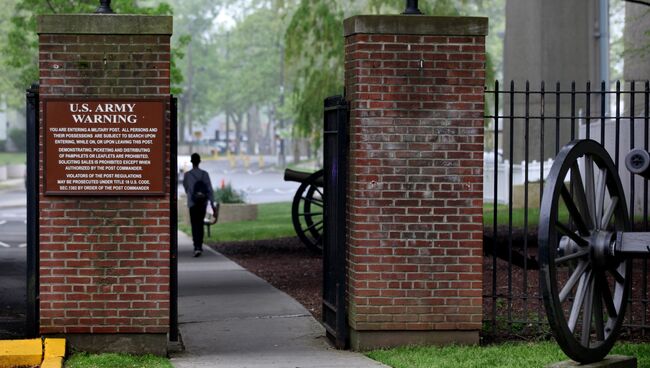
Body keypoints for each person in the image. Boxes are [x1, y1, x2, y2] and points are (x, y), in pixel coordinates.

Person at [183, 153, 216, 257]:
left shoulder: (187, 175)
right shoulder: (205, 174)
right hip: (202, 203)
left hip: (192, 203)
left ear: (191, 162)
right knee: (200, 224)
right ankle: (199, 246)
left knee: (194, 224)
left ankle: (196, 246)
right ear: (199, 161)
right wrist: (211, 202)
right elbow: (209, 189)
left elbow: (186, 188)